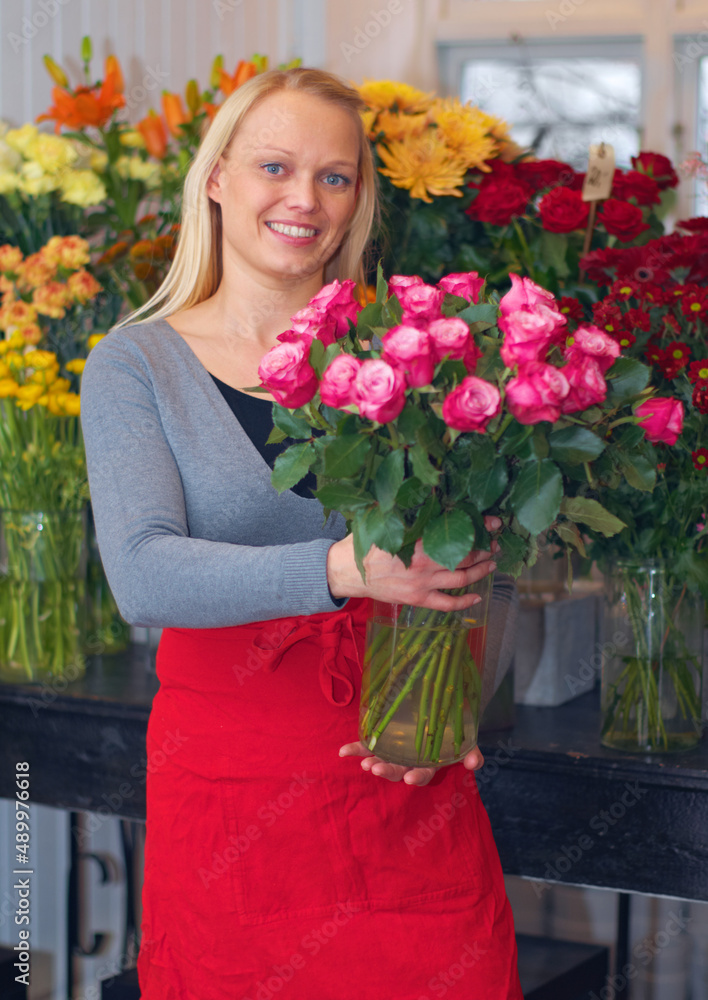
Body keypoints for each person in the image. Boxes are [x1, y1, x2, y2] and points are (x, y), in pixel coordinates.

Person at [81, 67, 523, 1000]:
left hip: (410, 784)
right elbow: (145, 574)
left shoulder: (414, 348)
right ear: (216, 178)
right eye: (274, 166)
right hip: (238, 804)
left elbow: (471, 552)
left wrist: (451, 705)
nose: (305, 199)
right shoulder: (136, 364)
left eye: (336, 177)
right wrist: (347, 568)